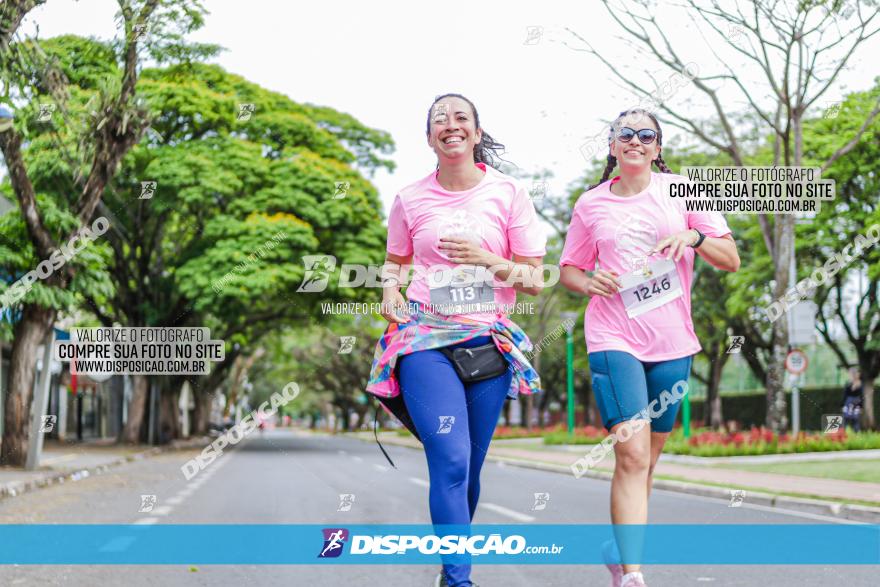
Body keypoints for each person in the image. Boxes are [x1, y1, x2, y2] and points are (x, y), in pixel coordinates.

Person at [366, 93, 547, 587]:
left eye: (460, 117)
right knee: (448, 458)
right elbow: (395, 261)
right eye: (439, 120)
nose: (450, 124)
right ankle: (460, 579)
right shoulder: (410, 198)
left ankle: (452, 569)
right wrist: (387, 288)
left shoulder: (508, 194)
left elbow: (533, 279)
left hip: (487, 342)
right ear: (429, 138)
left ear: (477, 132)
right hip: (424, 338)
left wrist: (486, 257)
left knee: (468, 469)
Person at [559, 108, 740, 587]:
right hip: (613, 336)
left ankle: (620, 549)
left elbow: (732, 259)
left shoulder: (685, 191)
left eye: (646, 135)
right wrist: (588, 280)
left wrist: (695, 235)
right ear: (613, 146)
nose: (635, 141)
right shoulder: (590, 204)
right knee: (632, 456)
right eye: (626, 134)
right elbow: (569, 270)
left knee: (649, 458)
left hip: (672, 341)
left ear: (657, 148)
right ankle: (633, 574)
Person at [842, 367, 863, 432]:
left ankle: (857, 433)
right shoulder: (848, 383)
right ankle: (843, 433)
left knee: (855, 419)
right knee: (846, 418)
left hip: (856, 403)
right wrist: (843, 405)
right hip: (848, 402)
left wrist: (861, 406)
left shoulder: (860, 384)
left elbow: (861, 396)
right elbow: (845, 395)